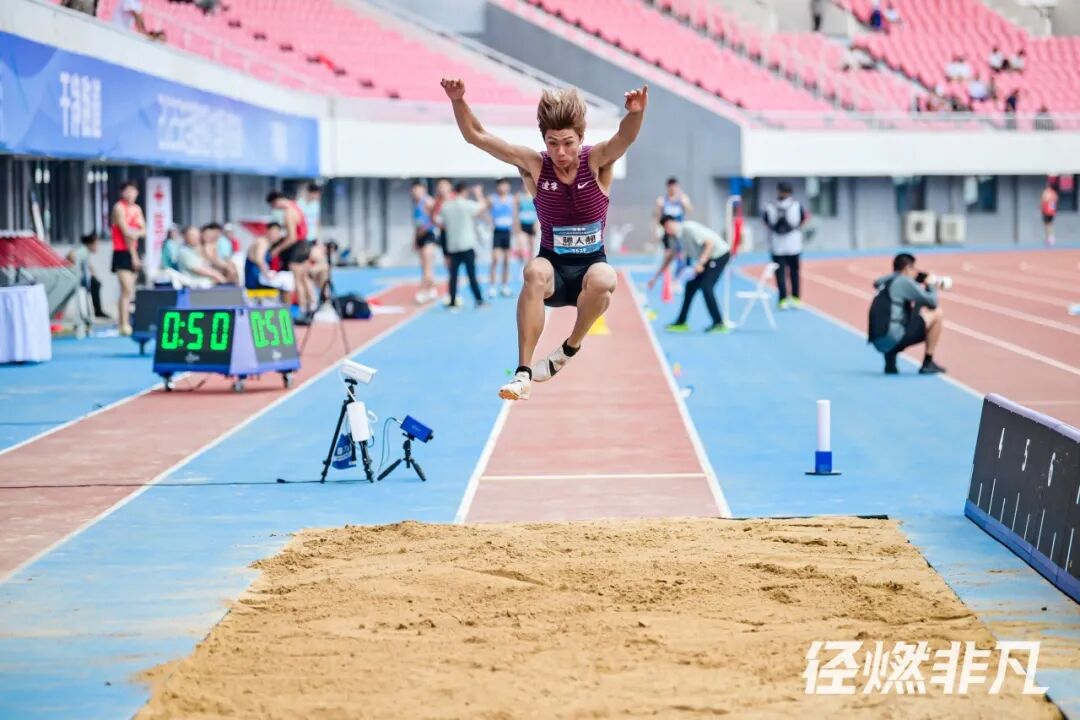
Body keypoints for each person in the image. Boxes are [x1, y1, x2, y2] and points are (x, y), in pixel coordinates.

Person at [442, 77, 648, 401]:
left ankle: (570, 347)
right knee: (533, 271)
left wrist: (635, 112)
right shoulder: (535, 165)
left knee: (606, 278)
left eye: (567, 143)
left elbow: (625, 137)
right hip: (553, 271)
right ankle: (523, 373)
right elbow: (476, 136)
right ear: (544, 140)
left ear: (581, 138)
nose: (560, 152)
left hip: (590, 270)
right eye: (552, 143)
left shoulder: (596, 161)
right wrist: (458, 100)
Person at [648, 216, 732, 333]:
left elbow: (709, 243)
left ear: (674, 222)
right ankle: (681, 322)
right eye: (665, 228)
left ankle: (719, 323)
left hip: (719, 255)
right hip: (706, 259)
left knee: (706, 287)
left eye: (669, 225)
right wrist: (655, 277)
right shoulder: (674, 238)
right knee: (690, 286)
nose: (668, 229)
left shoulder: (689, 228)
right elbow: (670, 257)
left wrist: (701, 263)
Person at [869, 253, 947, 375]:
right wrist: (931, 284)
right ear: (907, 268)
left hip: (877, 340)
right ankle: (928, 363)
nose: (916, 272)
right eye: (914, 268)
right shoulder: (903, 281)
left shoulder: (885, 281)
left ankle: (890, 362)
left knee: (896, 315)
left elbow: (876, 282)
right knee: (937, 314)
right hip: (892, 339)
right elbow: (932, 302)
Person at [267, 190, 315, 320]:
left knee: (297, 280)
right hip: (305, 244)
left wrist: (277, 250)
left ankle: (303, 310)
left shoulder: (288, 213)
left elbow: (292, 237)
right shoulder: (295, 206)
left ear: (277, 201)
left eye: (273, 206)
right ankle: (312, 306)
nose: (275, 209)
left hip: (298, 247)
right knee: (304, 278)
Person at [441, 183, 489, 310]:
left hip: (453, 246)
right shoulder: (466, 205)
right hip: (466, 245)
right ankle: (479, 300)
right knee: (471, 275)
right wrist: (478, 193)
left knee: (453, 276)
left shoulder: (446, 206)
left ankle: (452, 302)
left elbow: (439, 221)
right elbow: (483, 206)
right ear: (464, 191)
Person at [762, 182, 808, 310]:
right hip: (794, 245)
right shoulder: (796, 205)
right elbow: (803, 220)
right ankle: (795, 298)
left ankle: (783, 299)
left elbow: (765, 222)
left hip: (777, 245)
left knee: (780, 273)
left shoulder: (770, 206)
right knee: (794, 272)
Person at [110, 181, 146, 335]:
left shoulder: (137, 209)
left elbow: (143, 230)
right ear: (122, 192)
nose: (131, 194)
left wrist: (136, 234)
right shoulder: (119, 207)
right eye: (128, 191)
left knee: (129, 292)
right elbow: (126, 233)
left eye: (134, 191)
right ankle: (123, 325)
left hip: (134, 251)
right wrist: (133, 256)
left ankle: (125, 323)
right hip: (122, 252)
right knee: (127, 289)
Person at [245, 222, 295, 297]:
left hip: (259, 276)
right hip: (254, 278)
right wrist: (267, 274)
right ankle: (287, 303)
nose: (276, 235)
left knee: (287, 280)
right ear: (267, 231)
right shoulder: (262, 242)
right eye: (274, 232)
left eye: (277, 233)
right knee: (287, 282)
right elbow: (259, 260)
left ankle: (286, 302)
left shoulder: (268, 243)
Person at [410, 181, 439, 304]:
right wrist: (415, 240)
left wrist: (427, 226)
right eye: (414, 190)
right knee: (424, 266)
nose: (416, 192)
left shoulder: (428, 202)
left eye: (418, 190)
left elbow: (436, 217)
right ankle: (432, 289)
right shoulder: (416, 204)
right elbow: (417, 225)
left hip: (428, 236)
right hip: (420, 237)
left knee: (427, 267)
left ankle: (422, 292)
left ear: (424, 190)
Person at [67, 232, 108, 320]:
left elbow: (87, 265)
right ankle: (98, 311)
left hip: (79, 277)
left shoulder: (85, 251)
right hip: (72, 278)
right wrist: (77, 267)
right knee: (95, 283)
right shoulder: (82, 250)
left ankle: (97, 310)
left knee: (96, 283)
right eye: (96, 244)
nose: (97, 247)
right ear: (90, 244)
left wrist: (91, 270)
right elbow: (71, 255)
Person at [488, 178, 516, 298]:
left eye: (506, 185)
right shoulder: (492, 199)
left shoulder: (512, 199)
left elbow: (515, 215)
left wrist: (516, 230)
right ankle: (492, 286)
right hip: (497, 231)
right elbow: (482, 210)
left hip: (508, 232)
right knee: (495, 259)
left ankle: (505, 286)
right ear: (498, 187)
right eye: (501, 185)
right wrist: (488, 221)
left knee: (506, 261)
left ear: (508, 187)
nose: (503, 188)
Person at [516, 188, 538, 259]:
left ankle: (530, 262)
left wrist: (536, 224)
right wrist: (517, 225)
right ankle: (523, 262)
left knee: (532, 246)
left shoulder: (535, 196)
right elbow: (516, 212)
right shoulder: (519, 197)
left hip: (532, 224)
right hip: (523, 224)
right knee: (522, 246)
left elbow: (538, 211)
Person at [1041, 179, 1058, 247]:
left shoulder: (1046, 192)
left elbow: (1043, 200)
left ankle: (1049, 238)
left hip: (1047, 211)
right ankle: (1050, 238)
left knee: (1046, 225)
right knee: (1050, 225)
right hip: (1052, 212)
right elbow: (1056, 201)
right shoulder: (1054, 193)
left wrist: (1041, 207)